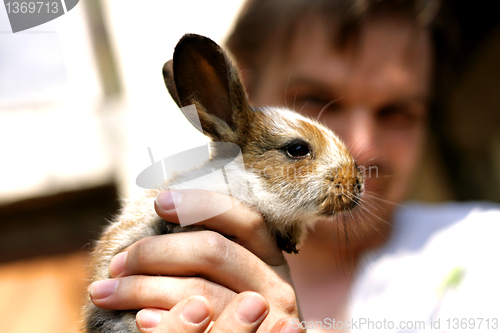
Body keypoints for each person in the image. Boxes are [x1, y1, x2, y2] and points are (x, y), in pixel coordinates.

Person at [88, 0, 500, 332]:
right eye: (318, 98)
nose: (361, 148)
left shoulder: (482, 251)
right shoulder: (200, 201)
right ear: (240, 87)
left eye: (396, 111)